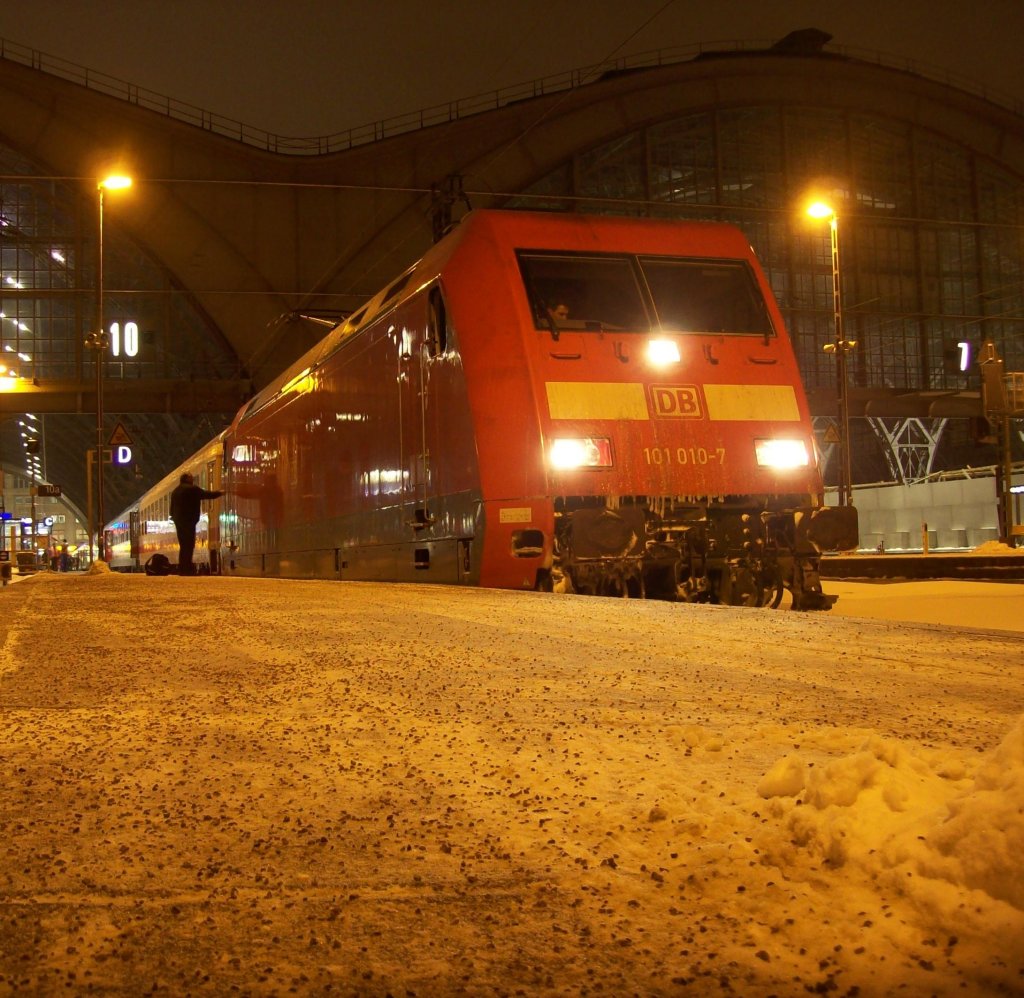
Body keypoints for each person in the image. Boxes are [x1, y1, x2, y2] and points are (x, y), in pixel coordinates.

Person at [169, 472, 224, 575]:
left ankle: (183, 568)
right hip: (189, 520)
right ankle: (187, 569)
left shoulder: (175, 491)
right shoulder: (192, 489)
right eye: (191, 478)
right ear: (187, 479)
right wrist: (220, 493)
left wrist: (175, 517)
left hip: (178, 521)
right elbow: (207, 495)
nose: (192, 479)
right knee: (189, 545)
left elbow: (171, 510)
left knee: (183, 545)